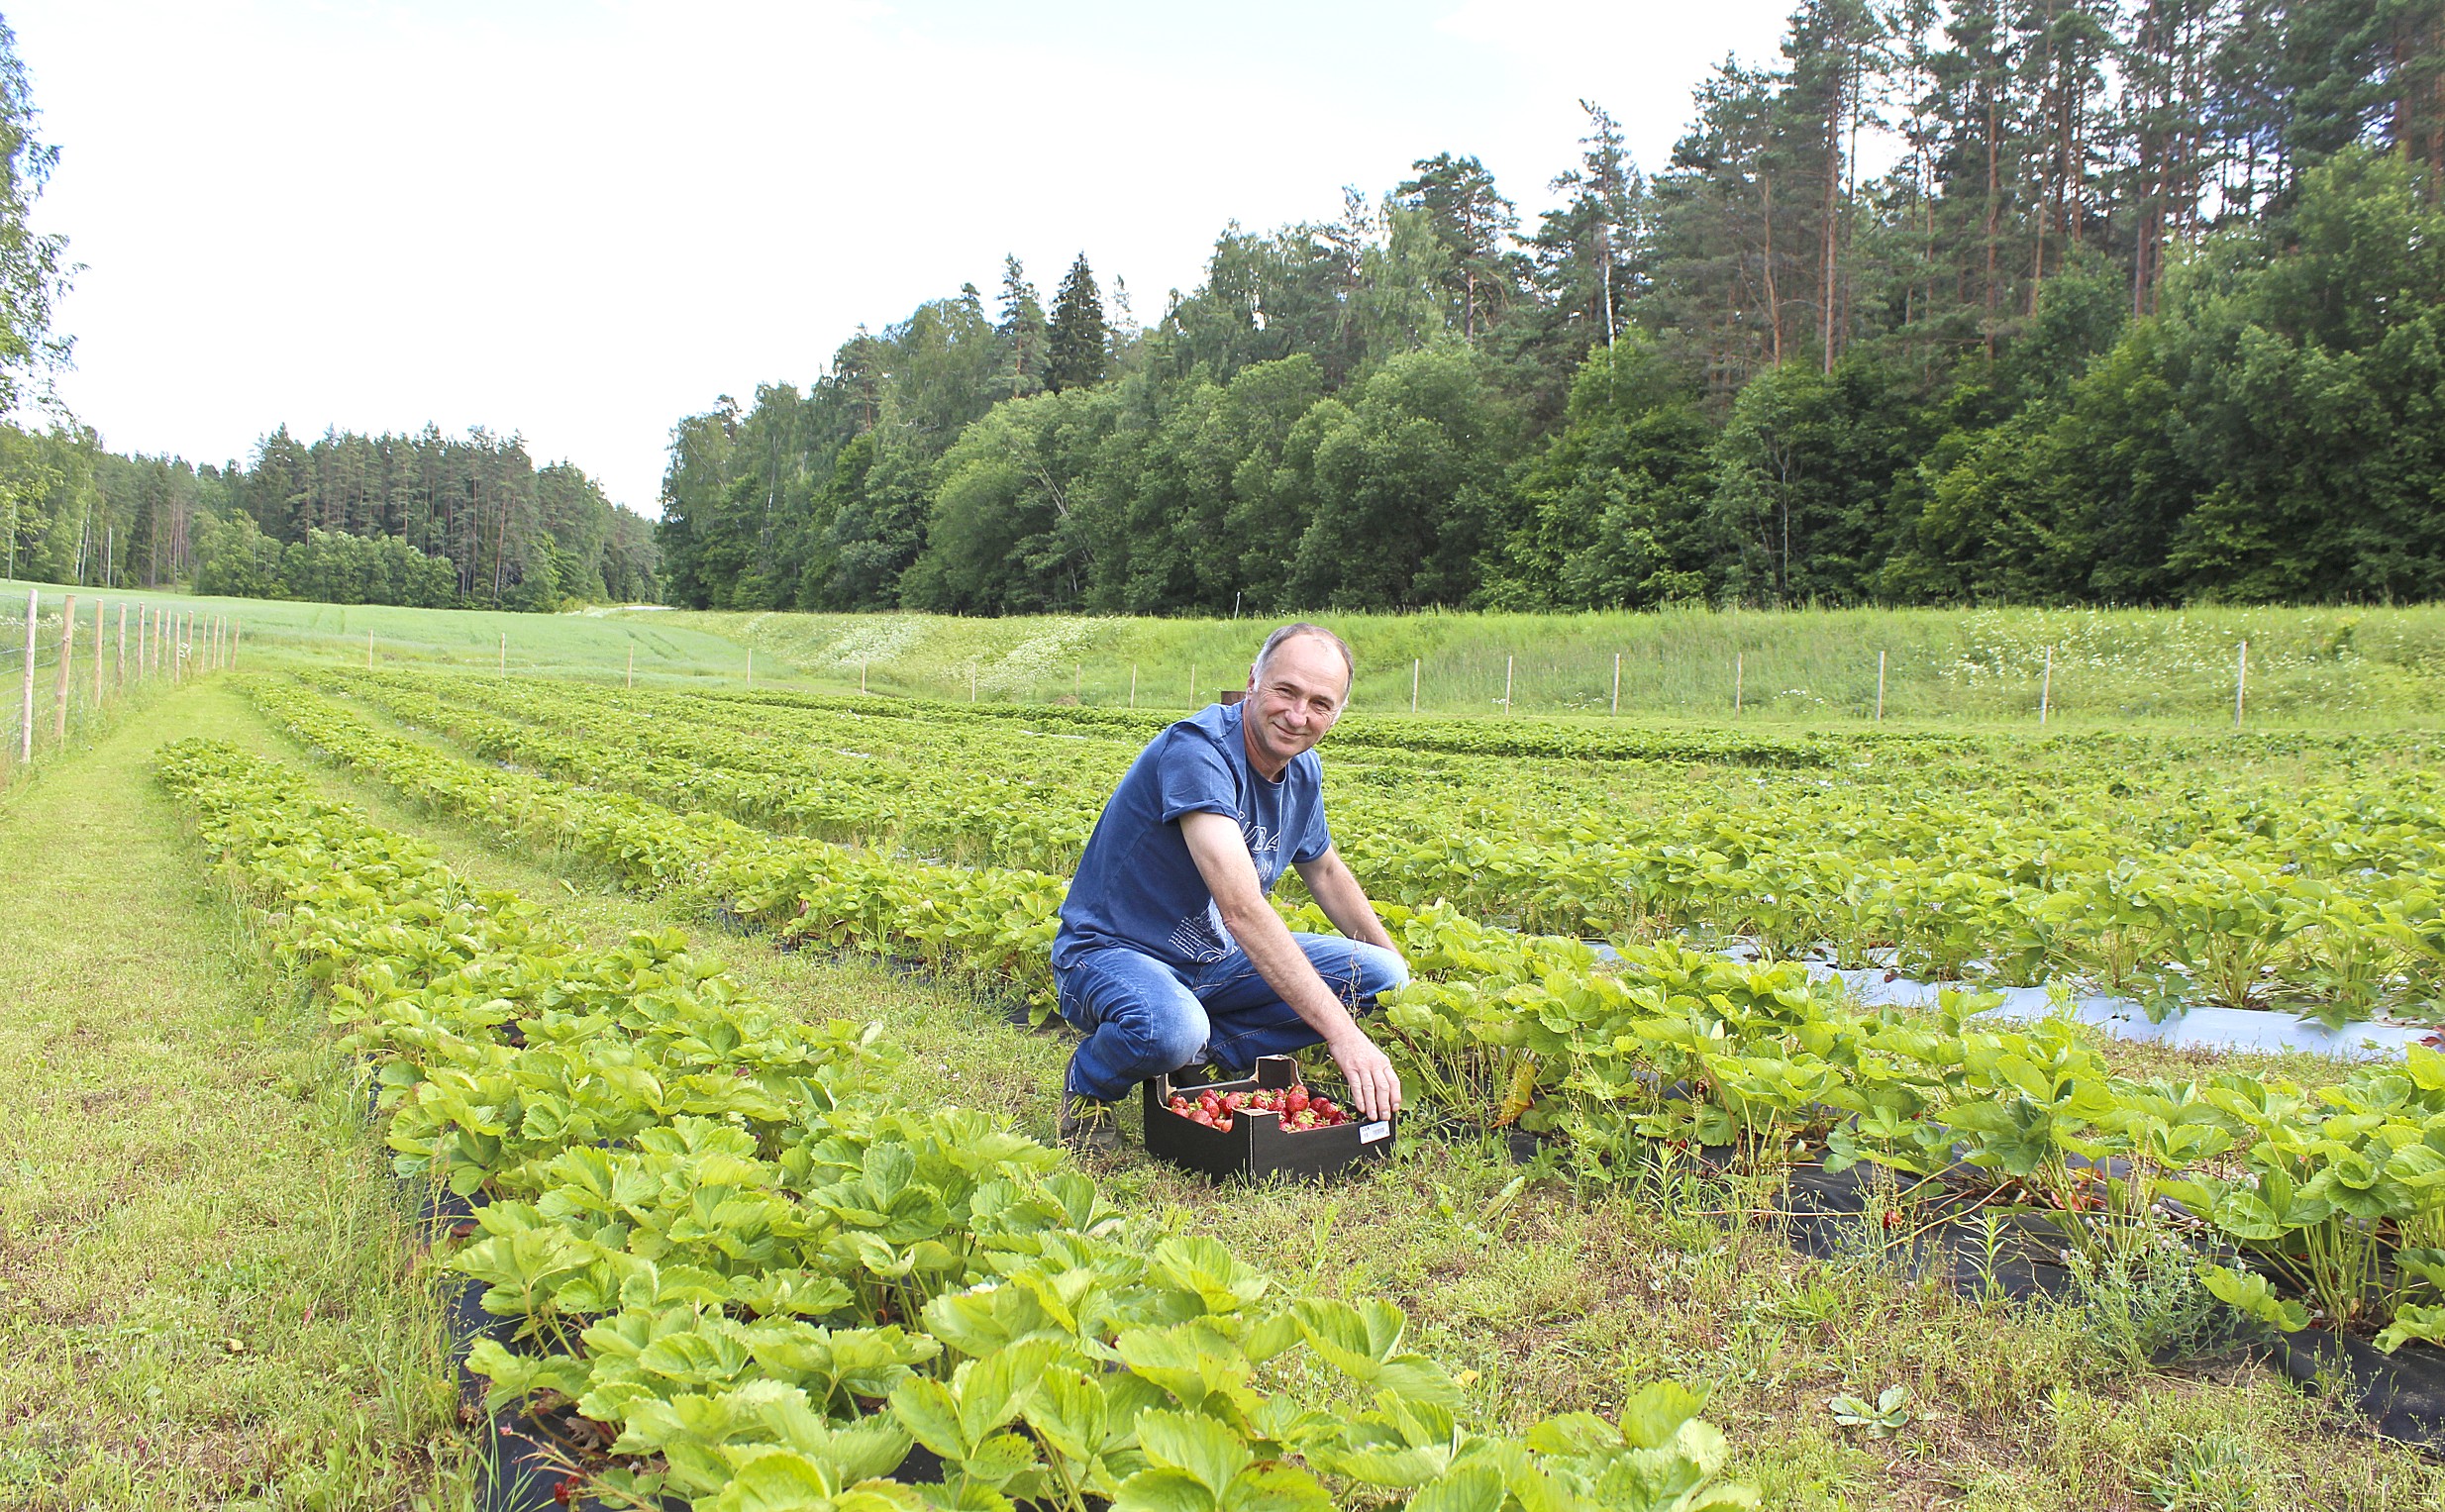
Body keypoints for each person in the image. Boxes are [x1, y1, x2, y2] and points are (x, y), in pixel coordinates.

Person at [1050, 621, 1407, 1156]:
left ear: (1337, 712)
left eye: (1319, 702)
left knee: (1378, 974)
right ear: (1253, 681)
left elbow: (1327, 874)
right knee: (1167, 1028)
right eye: (1285, 690)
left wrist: (1403, 984)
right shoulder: (1198, 751)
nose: (1297, 714)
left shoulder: (1302, 772)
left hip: (1213, 963)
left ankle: (1197, 1052)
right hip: (1111, 953)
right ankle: (1090, 1086)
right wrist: (1344, 1035)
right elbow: (1240, 908)